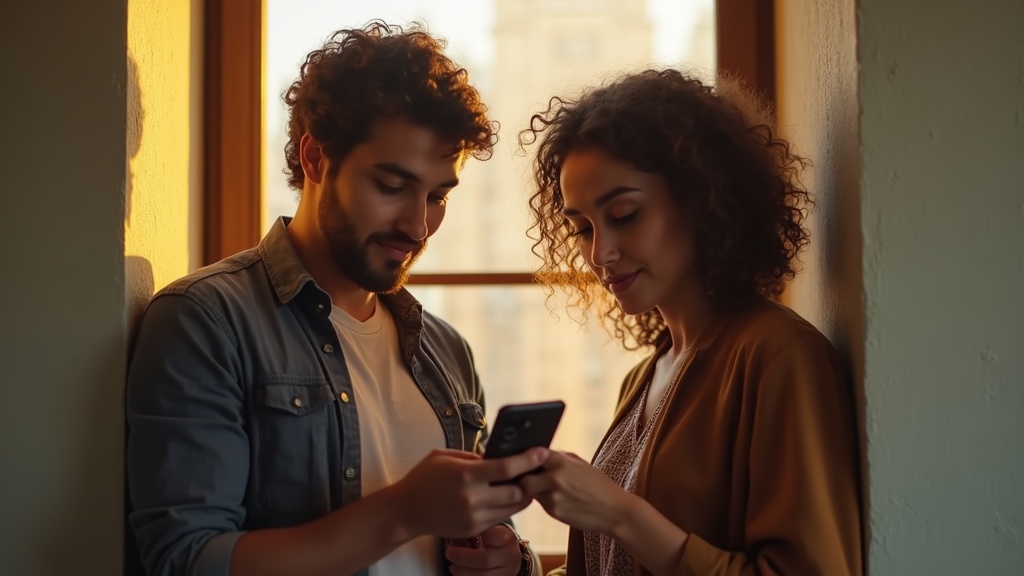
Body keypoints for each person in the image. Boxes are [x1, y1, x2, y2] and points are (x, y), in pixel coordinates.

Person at [126, 21, 542, 576]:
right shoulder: (206, 321)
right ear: (317, 159)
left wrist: (508, 559)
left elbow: (483, 537)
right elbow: (186, 561)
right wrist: (400, 512)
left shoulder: (448, 352)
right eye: (392, 187)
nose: (418, 226)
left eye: (438, 196)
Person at [518, 69, 863, 575]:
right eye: (581, 229)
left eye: (626, 214)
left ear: (702, 199)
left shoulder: (778, 356)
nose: (600, 253)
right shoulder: (645, 376)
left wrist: (619, 513)